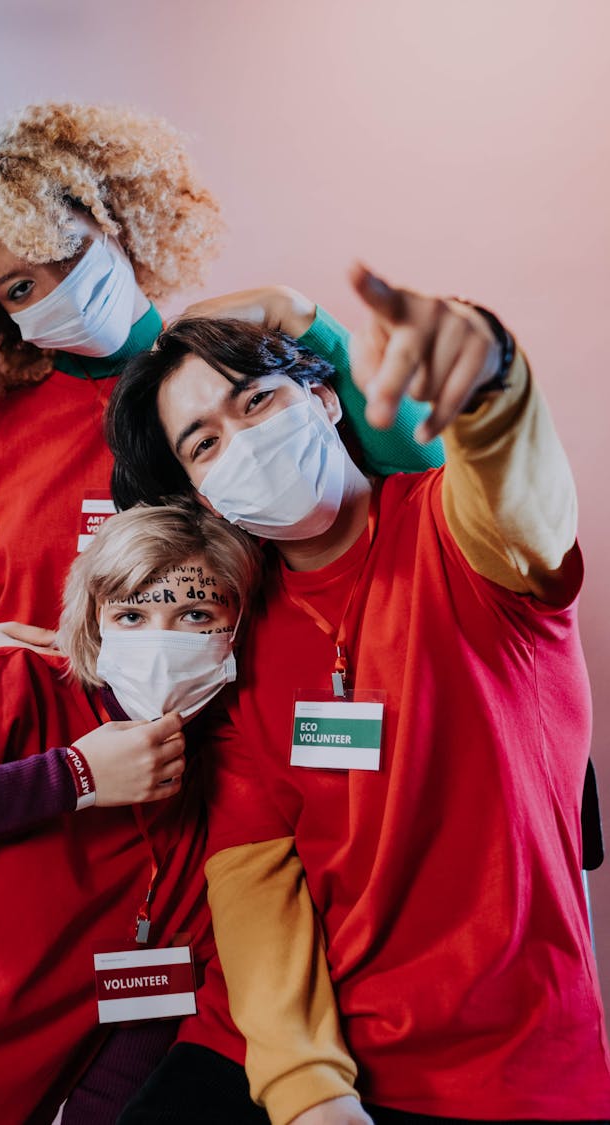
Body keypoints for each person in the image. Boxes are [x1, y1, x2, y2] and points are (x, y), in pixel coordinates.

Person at [106, 275, 610, 1125]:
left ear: (325, 397)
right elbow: (255, 879)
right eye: (204, 442)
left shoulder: (462, 536)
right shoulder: (235, 637)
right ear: (203, 495)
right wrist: (310, 1094)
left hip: (502, 1070)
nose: (242, 441)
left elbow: (520, 495)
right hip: (286, 1043)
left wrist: (490, 379)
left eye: (257, 400)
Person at [0, 101, 444, 680]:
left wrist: (303, 318)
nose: (62, 288)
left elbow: (426, 470)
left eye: (69, 249)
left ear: (118, 224)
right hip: (34, 750)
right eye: (22, 286)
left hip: (229, 733)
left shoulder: (230, 379)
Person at [0, 500, 263, 1125]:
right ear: (96, 626)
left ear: (237, 629)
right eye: (132, 615)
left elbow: (146, 1008)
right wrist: (71, 778)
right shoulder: (15, 685)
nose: (161, 641)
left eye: (194, 615)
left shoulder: (222, 797)